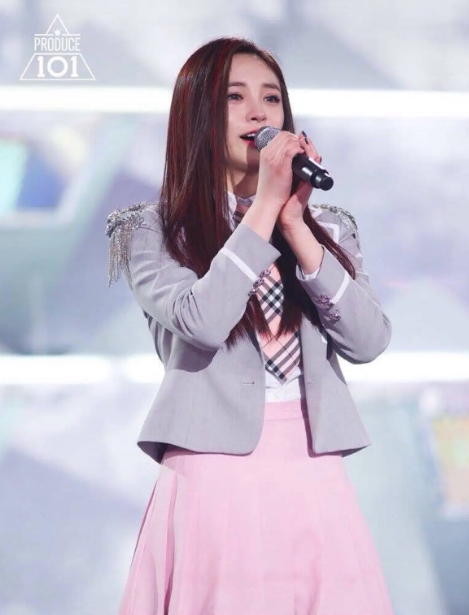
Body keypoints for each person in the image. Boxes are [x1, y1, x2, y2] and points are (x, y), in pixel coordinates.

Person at [106, 36, 395, 615]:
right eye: (234, 98)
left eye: (271, 98)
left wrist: (296, 226)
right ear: (196, 117)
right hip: (212, 468)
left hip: (313, 464)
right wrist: (263, 209)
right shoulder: (151, 229)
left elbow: (369, 341)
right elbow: (202, 321)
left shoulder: (327, 227)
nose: (258, 113)